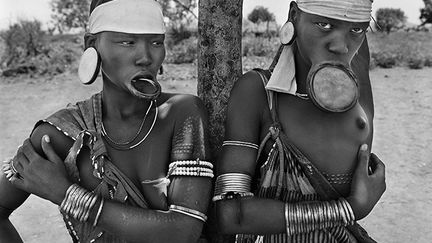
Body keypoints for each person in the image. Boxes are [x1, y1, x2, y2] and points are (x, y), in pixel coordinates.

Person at [0, 0, 213, 242]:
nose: (146, 57)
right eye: (128, 42)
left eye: (156, 42)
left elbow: (184, 231)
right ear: (92, 45)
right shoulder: (62, 133)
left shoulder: (182, 113)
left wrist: (65, 194)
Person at [214, 0, 386, 242]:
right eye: (324, 24)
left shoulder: (356, 84)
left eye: (356, 30)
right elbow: (231, 214)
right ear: (293, 14)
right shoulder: (258, 93)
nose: (341, 46)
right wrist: (350, 209)